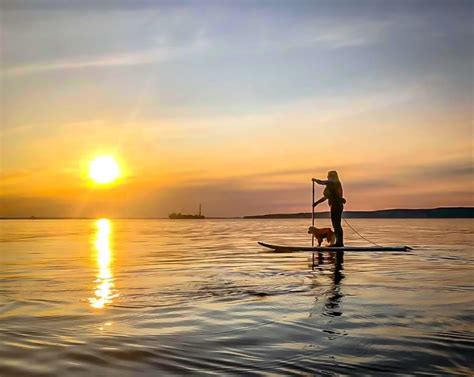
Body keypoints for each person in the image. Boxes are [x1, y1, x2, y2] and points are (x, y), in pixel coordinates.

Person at [312, 171, 346, 247]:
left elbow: (321, 182)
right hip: (335, 206)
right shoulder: (331, 185)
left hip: (336, 206)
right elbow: (326, 197)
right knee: (336, 225)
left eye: (329, 176)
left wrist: (315, 180)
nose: (327, 177)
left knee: (337, 225)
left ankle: (339, 243)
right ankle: (339, 242)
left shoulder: (334, 183)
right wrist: (317, 203)